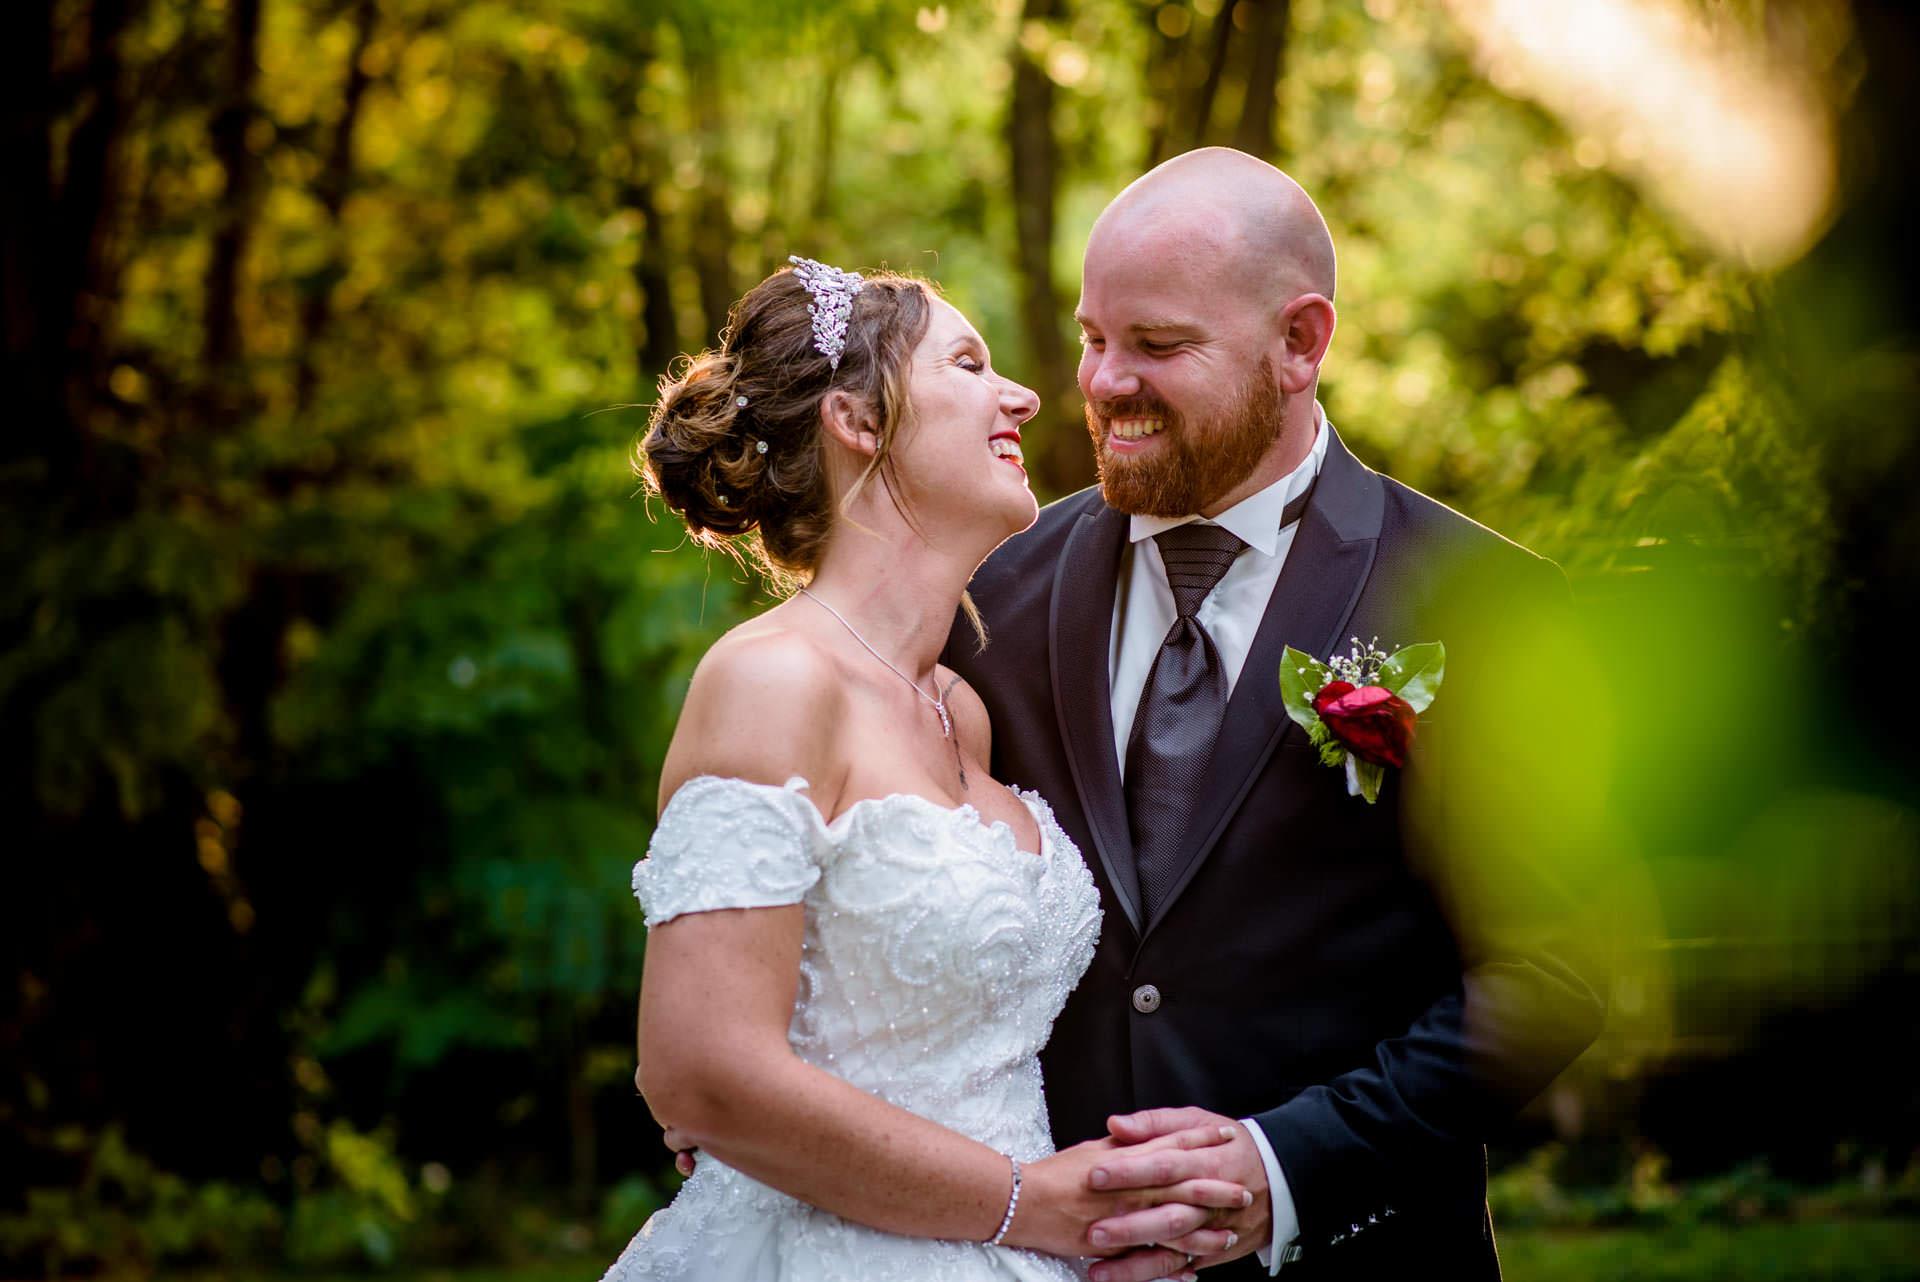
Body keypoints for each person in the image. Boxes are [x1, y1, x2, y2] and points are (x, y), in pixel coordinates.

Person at [943, 148, 1608, 1280]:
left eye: (1158, 345)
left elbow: (1554, 973)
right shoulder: (996, 587)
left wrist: (1282, 1167)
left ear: (1301, 342)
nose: (1102, 382)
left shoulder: (1484, 600)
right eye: (1095, 337)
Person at [601, 257, 1253, 1282]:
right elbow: (695, 1073)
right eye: (968, 363)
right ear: (858, 420)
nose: (1029, 396)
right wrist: (1025, 1203)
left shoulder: (963, 708)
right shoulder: (771, 681)